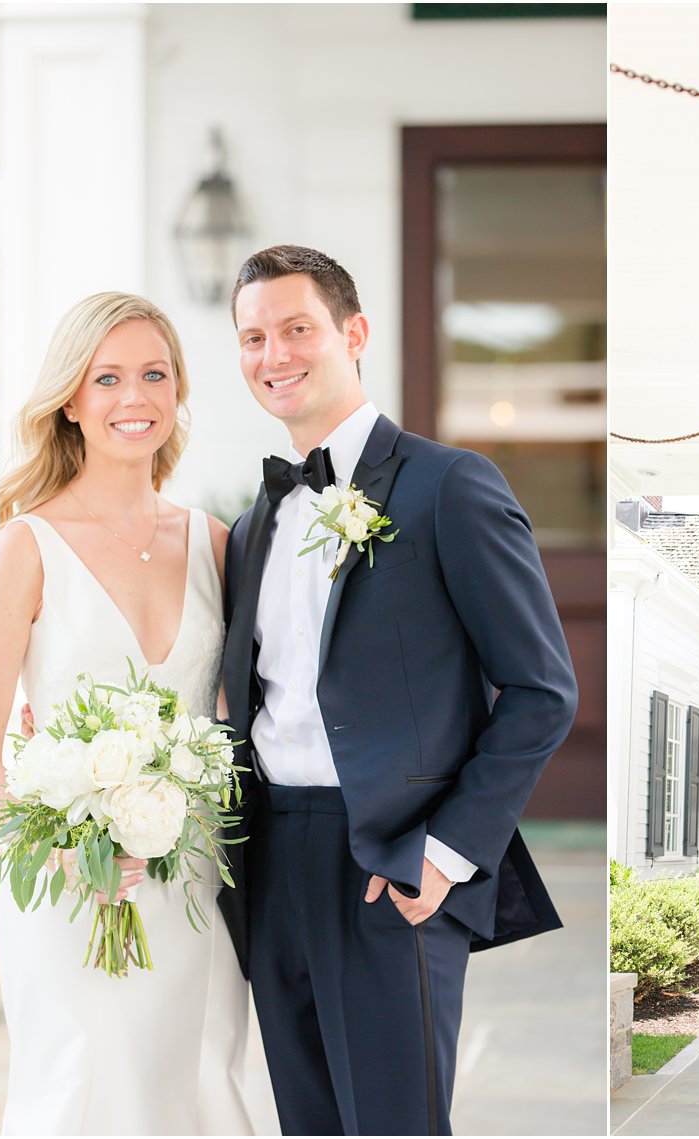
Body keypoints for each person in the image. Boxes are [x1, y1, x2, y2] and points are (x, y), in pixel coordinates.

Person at [218, 244, 577, 1136]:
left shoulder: (449, 485)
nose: (276, 355)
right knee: (307, 1121)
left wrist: (447, 850)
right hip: (271, 857)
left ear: (355, 333)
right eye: (254, 336)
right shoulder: (255, 520)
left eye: (297, 329)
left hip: (388, 861)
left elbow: (542, 689)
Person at [0, 292, 263, 1135]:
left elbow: (245, 721)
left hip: (196, 888)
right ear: (71, 401)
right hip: (75, 892)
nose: (135, 398)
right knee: (82, 1092)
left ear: (177, 391)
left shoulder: (219, 543)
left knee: (203, 1084)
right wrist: (62, 849)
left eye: (154, 374)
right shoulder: (27, 546)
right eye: (109, 378)